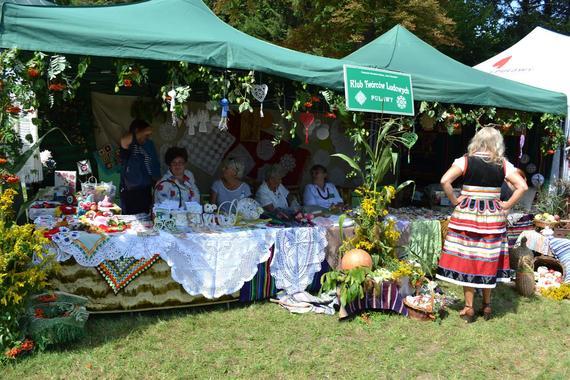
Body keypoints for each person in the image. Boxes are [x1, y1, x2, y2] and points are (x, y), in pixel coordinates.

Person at [436, 127, 527, 322]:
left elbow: (445, 180)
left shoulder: (465, 161)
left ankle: (468, 307)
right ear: (497, 143)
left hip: (467, 216)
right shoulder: (503, 164)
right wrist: (507, 204)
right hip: (492, 217)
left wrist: (454, 199)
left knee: (468, 258)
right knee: (488, 259)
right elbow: (522, 186)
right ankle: (486, 306)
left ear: (476, 141)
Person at [119, 119, 160, 214]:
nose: (147, 137)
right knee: (131, 224)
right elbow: (123, 141)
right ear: (137, 131)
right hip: (131, 194)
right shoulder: (128, 145)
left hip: (146, 192)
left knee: (146, 222)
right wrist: (145, 130)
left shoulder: (148, 145)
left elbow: (152, 167)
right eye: (145, 135)